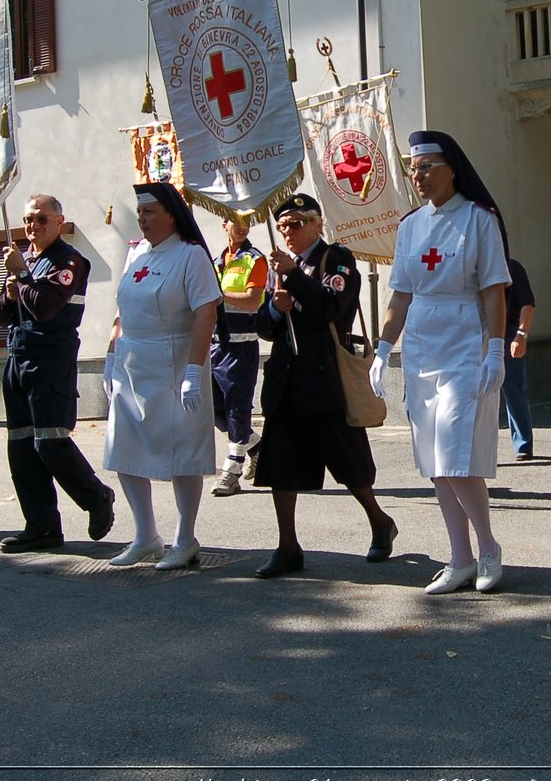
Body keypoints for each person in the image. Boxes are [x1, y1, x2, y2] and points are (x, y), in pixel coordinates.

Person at [372, 131, 512, 593]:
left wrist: (495, 346)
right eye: (415, 168)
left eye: (428, 166)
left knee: (456, 454)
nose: (420, 175)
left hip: (464, 342)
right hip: (421, 347)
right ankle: (460, 557)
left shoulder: (479, 220)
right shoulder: (410, 225)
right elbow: (401, 293)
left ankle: (488, 546)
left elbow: (493, 289)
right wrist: (382, 349)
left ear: (452, 167)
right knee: (435, 460)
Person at [250, 194, 398, 579]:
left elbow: (333, 307)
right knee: (280, 466)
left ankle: (380, 521)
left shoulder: (336, 259)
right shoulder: (279, 266)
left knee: (348, 463)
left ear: (317, 224)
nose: (288, 233)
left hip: (325, 378)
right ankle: (287, 547)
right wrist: (273, 309)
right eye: (283, 227)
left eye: (296, 225)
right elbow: (265, 328)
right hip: (286, 379)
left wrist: (295, 278)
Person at [101, 182, 221, 570]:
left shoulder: (191, 256)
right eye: (140, 213)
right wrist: (110, 356)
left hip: (174, 363)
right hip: (132, 364)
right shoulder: (136, 254)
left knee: (183, 452)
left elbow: (206, 313)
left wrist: (193, 370)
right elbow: (121, 312)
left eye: (150, 212)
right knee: (126, 449)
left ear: (172, 214)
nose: (142, 219)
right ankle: (145, 536)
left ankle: (184, 538)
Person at [0, 194, 116, 553]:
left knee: (49, 442)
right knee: (21, 447)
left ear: (59, 222)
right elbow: (3, 316)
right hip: (18, 356)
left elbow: (47, 308)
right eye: (29, 220)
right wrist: (11, 288)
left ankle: (96, 496)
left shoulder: (69, 261)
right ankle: (42, 525)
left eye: (41, 219)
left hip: (50, 360)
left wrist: (20, 273)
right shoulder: (26, 260)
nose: (33, 226)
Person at [209, 217, 268, 496]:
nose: (242, 226)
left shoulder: (255, 259)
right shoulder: (216, 259)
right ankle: (257, 447)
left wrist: (219, 294)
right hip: (213, 345)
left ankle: (231, 471)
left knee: (237, 408)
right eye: (236, 221)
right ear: (225, 225)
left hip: (240, 346)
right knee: (212, 408)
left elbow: (253, 300)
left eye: (247, 222)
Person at [502, 257, 537, 459]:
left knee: (514, 390)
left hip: (508, 332)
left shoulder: (513, 267)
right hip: (476, 333)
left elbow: (527, 304)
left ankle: (523, 443)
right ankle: (476, 450)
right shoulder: (470, 263)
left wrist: (520, 335)